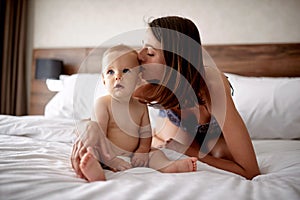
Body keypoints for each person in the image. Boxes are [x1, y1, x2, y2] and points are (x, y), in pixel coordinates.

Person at [72, 16, 260, 180]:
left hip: (211, 143)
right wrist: (88, 127)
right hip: (171, 136)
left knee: (218, 151)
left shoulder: (211, 86)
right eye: (143, 47)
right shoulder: (144, 84)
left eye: (151, 52)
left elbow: (250, 170)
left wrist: (188, 151)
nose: (139, 55)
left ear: (175, 61)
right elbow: (103, 112)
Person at [78, 44, 197, 182]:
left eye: (126, 70)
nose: (118, 76)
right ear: (104, 80)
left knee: (155, 153)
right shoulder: (102, 104)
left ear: (138, 78)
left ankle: (169, 166)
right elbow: (100, 138)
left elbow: (146, 133)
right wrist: (112, 160)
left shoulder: (140, 105)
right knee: (93, 153)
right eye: (111, 72)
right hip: (107, 153)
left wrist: (142, 151)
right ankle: (95, 172)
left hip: (133, 155)